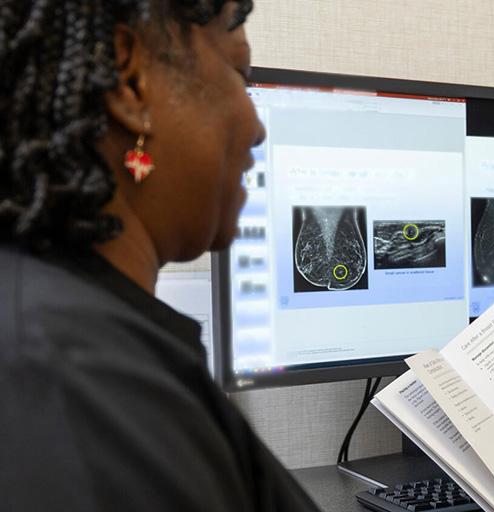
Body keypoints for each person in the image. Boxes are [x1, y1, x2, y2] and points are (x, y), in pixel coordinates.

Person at [0, 1, 320, 510]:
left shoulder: (82, 332)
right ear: (130, 82)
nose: (258, 128)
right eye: (239, 74)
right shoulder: (79, 385)